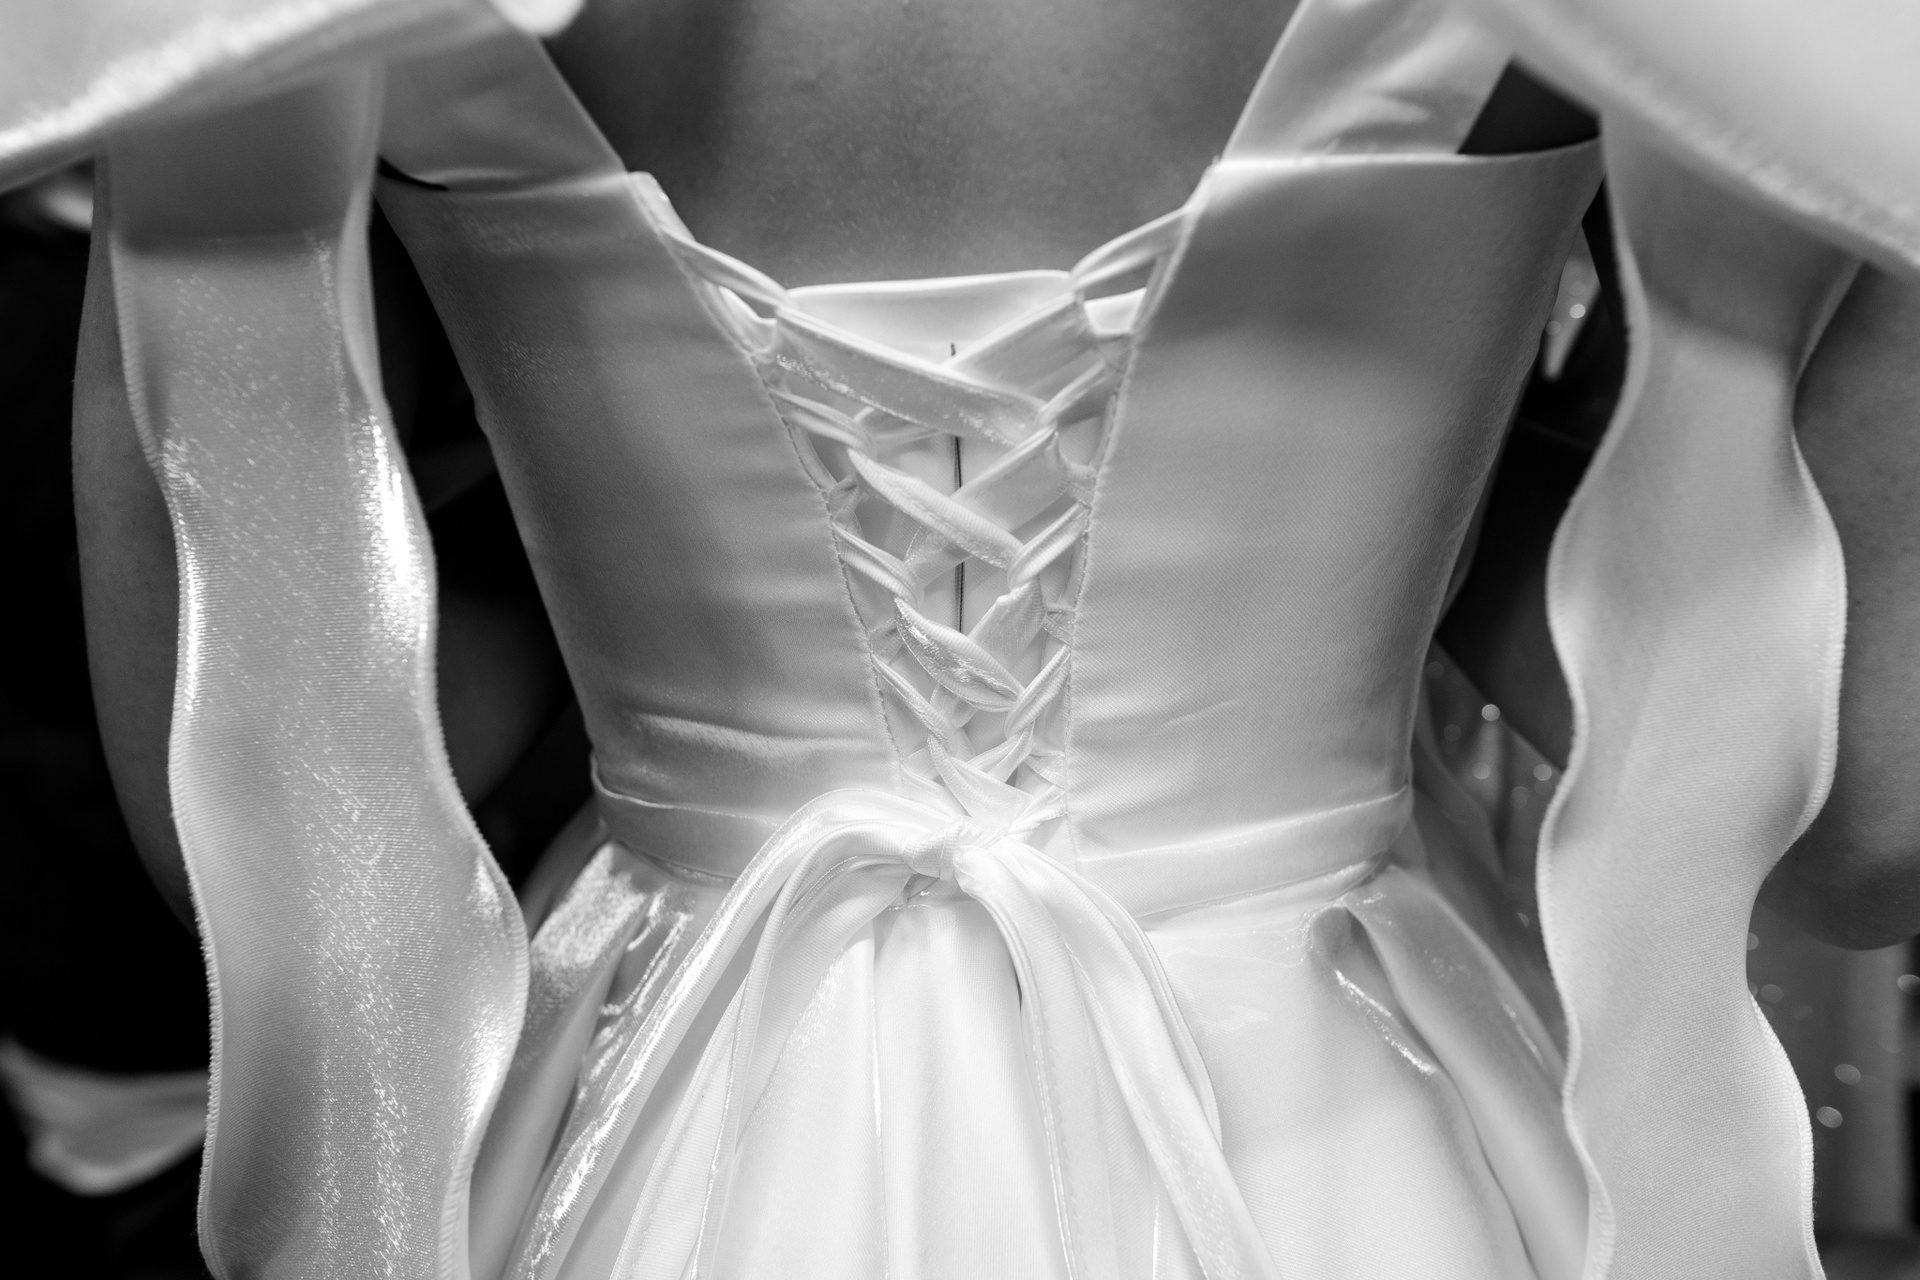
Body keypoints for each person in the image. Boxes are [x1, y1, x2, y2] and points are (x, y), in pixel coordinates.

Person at [5, 0, 1919, 1276]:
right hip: (1345, 1113)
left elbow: (232, 808)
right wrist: (1399, 514)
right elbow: (1862, 821)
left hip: (663, 1086)